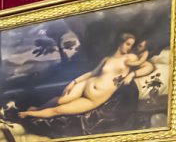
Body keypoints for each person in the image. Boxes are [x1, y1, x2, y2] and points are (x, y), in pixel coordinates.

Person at [18, 33, 150, 120]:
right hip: (85, 85)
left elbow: (147, 66)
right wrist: (74, 82)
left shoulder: (130, 58)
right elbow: (92, 73)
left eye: (131, 45)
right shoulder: (107, 58)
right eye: (127, 44)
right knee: (60, 100)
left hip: (94, 99)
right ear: (120, 42)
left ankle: (29, 114)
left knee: (59, 110)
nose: (129, 47)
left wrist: (132, 74)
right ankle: (38, 109)